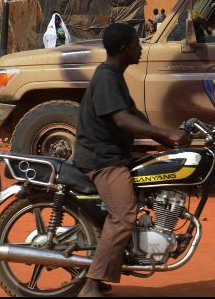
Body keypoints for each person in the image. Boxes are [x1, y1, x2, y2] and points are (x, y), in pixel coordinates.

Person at [73, 22, 190, 297]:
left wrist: (170, 142)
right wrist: (165, 133)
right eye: (137, 44)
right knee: (124, 216)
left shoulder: (116, 75)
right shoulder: (106, 77)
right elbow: (122, 119)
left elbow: (135, 116)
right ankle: (91, 285)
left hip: (115, 155)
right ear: (124, 49)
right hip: (103, 160)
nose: (141, 48)